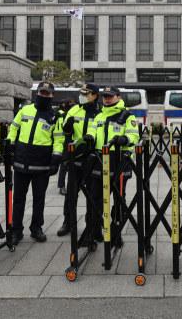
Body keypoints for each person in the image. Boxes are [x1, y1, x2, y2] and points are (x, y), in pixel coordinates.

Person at [7, 81, 64, 244]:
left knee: (39, 198)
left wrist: (56, 160)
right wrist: (10, 145)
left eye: (47, 93)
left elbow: (58, 140)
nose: (44, 95)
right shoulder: (25, 109)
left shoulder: (56, 116)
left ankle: (36, 228)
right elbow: (13, 128)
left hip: (42, 164)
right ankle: (16, 230)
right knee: (18, 199)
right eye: (41, 92)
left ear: (52, 96)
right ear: (36, 93)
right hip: (21, 161)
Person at [82, 86, 140, 243]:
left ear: (119, 98)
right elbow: (93, 130)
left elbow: (134, 135)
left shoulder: (128, 116)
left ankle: (116, 233)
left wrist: (124, 140)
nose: (107, 99)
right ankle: (94, 232)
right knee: (96, 200)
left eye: (110, 96)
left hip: (119, 162)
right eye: (105, 96)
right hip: (100, 162)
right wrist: (89, 137)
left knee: (119, 201)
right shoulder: (99, 116)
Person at [57, 82, 102, 236]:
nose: (82, 96)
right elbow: (65, 129)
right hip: (76, 158)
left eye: (86, 94)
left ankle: (93, 225)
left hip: (94, 160)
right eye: (81, 93)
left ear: (94, 96)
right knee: (71, 193)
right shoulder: (74, 110)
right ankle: (67, 223)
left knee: (93, 195)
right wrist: (67, 126)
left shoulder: (101, 112)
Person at [57, 97, 77, 196]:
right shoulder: (63, 115)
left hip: (74, 143)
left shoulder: (77, 115)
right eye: (70, 103)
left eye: (74, 103)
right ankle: (61, 186)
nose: (72, 104)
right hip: (65, 142)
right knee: (63, 166)